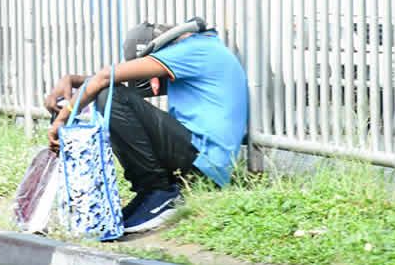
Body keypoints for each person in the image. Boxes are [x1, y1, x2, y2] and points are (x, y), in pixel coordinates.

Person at [44, 21, 249, 234]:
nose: (150, 82)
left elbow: (107, 79)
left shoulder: (194, 51)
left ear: (157, 51)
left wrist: (63, 119)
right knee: (111, 93)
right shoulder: (203, 50)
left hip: (202, 162)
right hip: (200, 161)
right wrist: (73, 80)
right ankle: (150, 194)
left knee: (110, 96)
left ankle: (158, 192)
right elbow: (123, 85)